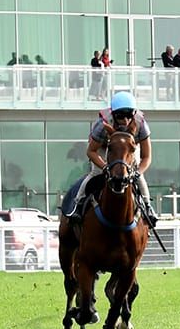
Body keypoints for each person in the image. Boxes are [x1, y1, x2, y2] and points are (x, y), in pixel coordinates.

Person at [67, 90, 158, 227]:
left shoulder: (141, 124)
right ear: (114, 115)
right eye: (121, 116)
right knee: (95, 173)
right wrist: (104, 167)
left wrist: (138, 171)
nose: (126, 120)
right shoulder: (102, 125)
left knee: (139, 177)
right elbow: (91, 151)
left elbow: (147, 157)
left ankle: (148, 207)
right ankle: (78, 204)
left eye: (129, 115)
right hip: (105, 147)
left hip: (130, 146)